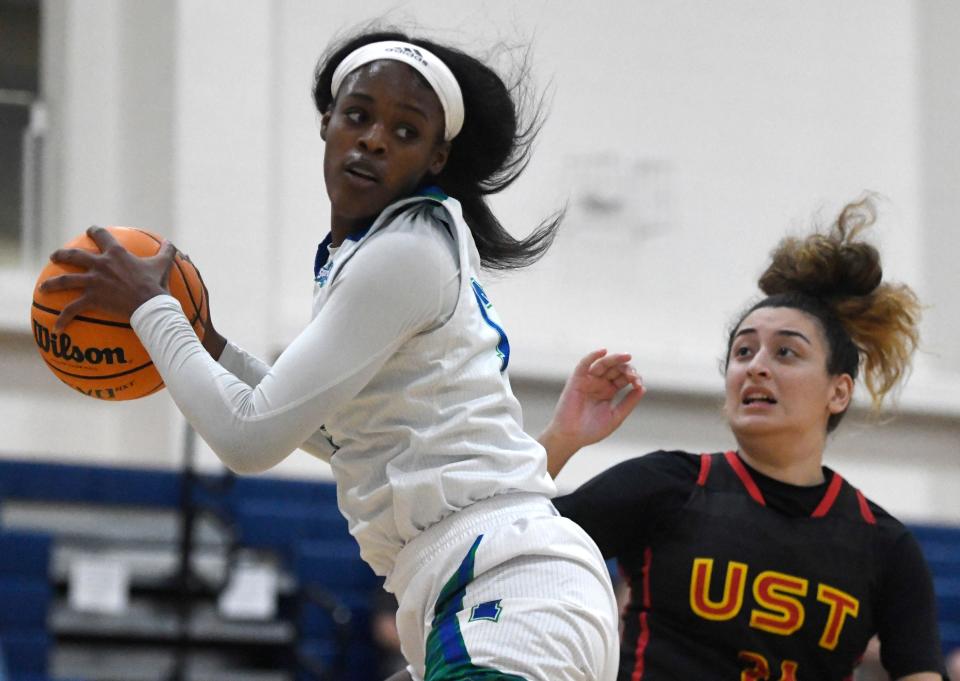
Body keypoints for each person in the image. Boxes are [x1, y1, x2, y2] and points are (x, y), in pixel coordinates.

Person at [40, 28, 644, 681]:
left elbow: (247, 437)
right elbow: (341, 438)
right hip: (482, 595)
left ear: (437, 159)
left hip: (506, 594)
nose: (374, 138)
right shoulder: (379, 252)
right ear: (327, 121)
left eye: (405, 131)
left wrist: (148, 309)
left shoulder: (407, 252)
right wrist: (210, 345)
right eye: (358, 115)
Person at [542, 197, 947, 680]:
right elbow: (502, 531)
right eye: (744, 351)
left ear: (838, 391)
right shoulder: (666, 485)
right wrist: (564, 436)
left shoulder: (885, 546)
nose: (756, 366)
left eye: (786, 353)